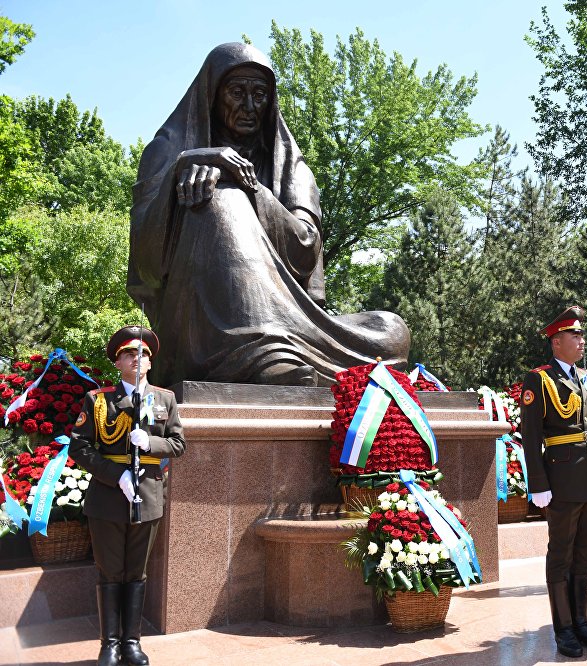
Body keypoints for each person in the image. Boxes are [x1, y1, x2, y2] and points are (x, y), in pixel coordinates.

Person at [129, 42, 409, 388]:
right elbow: (146, 268)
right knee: (218, 196)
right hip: (195, 330)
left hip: (291, 315)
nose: (249, 106)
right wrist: (183, 171)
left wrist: (247, 184)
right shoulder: (170, 152)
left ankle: (278, 348)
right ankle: (260, 355)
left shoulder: (290, 165)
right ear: (211, 96)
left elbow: (305, 248)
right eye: (236, 92)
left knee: (391, 331)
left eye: (260, 95)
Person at [69, 326, 185, 666]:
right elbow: (79, 446)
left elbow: (179, 444)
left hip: (147, 496)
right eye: (129, 354)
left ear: (150, 362)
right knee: (109, 571)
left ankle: (132, 643)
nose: (137, 358)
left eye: (143, 354)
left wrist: (150, 443)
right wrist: (116, 474)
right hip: (107, 496)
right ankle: (110, 644)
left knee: (136, 572)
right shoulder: (99, 400)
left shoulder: (164, 399)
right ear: (117, 362)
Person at [521, 306, 587, 658]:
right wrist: (538, 483)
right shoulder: (539, 379)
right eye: (574, 335)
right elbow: (530, 435)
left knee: (585, 553)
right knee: (561, 553)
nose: (581, 340)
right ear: (556, 342)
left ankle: (583, 624)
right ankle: (564, 629)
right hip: (560, 478)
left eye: (581, 335)